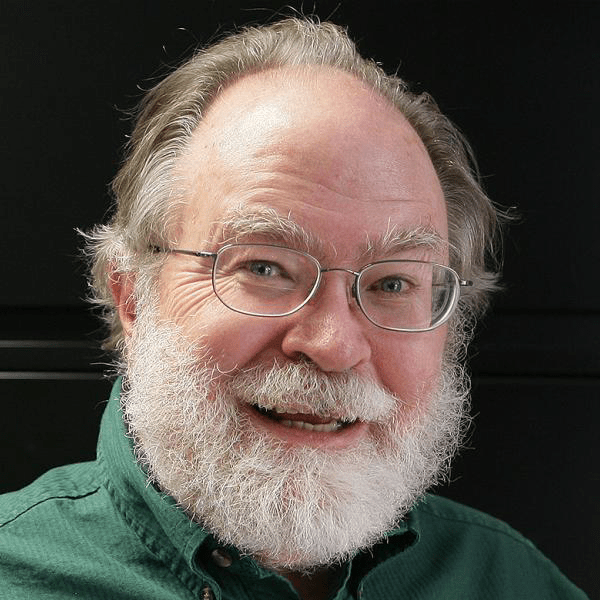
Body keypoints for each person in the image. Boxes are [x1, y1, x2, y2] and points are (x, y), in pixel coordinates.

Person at [0, 17, 588, 600]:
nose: (333, 346)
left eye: (391, 283)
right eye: (264, 268)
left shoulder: (511, 581)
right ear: (132, 297)